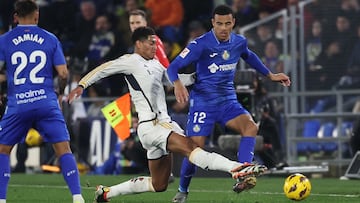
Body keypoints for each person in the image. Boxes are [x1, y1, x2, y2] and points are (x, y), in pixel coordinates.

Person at [68, 26, 267, 203]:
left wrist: (200, 76)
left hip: (160, 125)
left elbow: (176, 80)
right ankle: (237, 168)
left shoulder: (156, 65)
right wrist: (82, 85)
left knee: (159, 184)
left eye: (156, 43)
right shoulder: (130, 61)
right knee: (191, 147)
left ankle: (106, 193)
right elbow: (104, 69)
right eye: (151, 43)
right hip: (152, 125)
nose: (155, 47)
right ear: (138, 44)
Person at [166, 5, 291, 203]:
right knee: (195, 149)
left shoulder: (239, 42)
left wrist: (270, 75)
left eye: (227, 23)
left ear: (233, 23)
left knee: (250, 127)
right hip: (203, 104)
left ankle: (243, 173)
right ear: (212, 23)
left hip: (227, 101)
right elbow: (172, 68)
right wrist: (178, 84)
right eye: (219, 24)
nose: (223, 28)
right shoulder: (200, 44)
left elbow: (249, 56)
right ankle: (183, 190)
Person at [0, 1, 85, 203]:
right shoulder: (50, 38)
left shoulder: (4, 40)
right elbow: (63, 73)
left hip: (18, 103)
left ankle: (1, 199)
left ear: (15, 16)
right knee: (63, 149)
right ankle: (77, 196)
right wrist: (61, 92)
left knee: (3, 150)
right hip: (46, 102)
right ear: (37, 15)